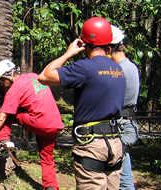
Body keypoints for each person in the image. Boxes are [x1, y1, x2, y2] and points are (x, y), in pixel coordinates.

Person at [38, 17, 126, 190]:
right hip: (115, 145)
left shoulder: (84, 68)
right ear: (109, 45)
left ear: (85, 44)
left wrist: (69, 53)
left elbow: (44, 76)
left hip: (91, 145)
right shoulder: (118, 70)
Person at [0, 60, 64, 190]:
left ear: (8, 76)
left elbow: (2, 117)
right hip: (54, 123)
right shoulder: (33, 76)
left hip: (40, 121)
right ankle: (51, 187)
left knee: (8, 111)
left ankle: (3, 140)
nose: (2, 85)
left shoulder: (14, 89)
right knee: (47, 157)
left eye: (1, 81)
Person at [110, 25, 140, 190]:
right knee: (124, 178)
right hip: (126, 124)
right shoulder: (130, 66)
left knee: (122, 181)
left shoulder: (118, 70)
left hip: (120, 126)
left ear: (110, 47)